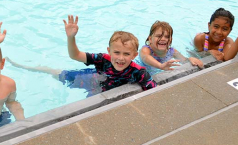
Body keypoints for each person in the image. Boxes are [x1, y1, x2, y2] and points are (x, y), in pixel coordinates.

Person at [9, 16, 156, 95]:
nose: (120, 58)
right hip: (92, 79)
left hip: (100, 90)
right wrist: (71, 37)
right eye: (116, 52)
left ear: (135, 55)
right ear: (109, 51)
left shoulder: (139, 72)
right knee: (57, 74)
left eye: (126, 54)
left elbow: (153, 92)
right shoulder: (102, 59)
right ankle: (34, 67)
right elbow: (75, 56)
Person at [139, 21, 203, 75]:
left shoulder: (172, 52)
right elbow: (145, 57)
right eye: (159, 36)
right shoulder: (146, 50)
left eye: (167, 37)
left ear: (170, 40)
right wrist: (160, 66)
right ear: (150, 39)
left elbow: (184, 61)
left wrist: (190, 59)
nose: (163, 39)